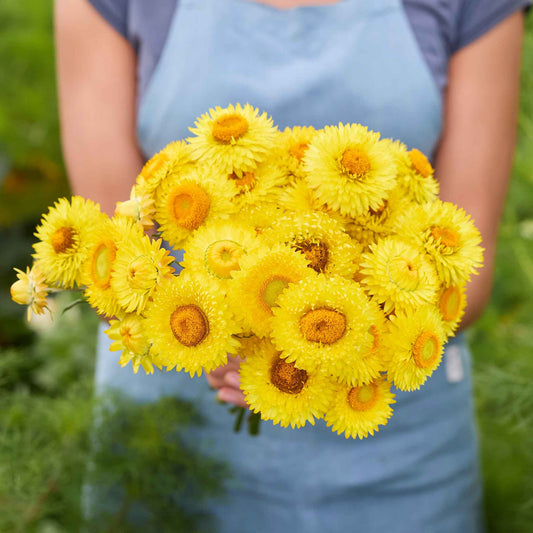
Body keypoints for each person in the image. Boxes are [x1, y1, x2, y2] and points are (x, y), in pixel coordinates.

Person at [55, 0, 529, 531]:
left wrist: (329, 336)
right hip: (167, 445)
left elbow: (465, 266)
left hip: (398, 460)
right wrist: (225, 333)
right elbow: (109, 255)